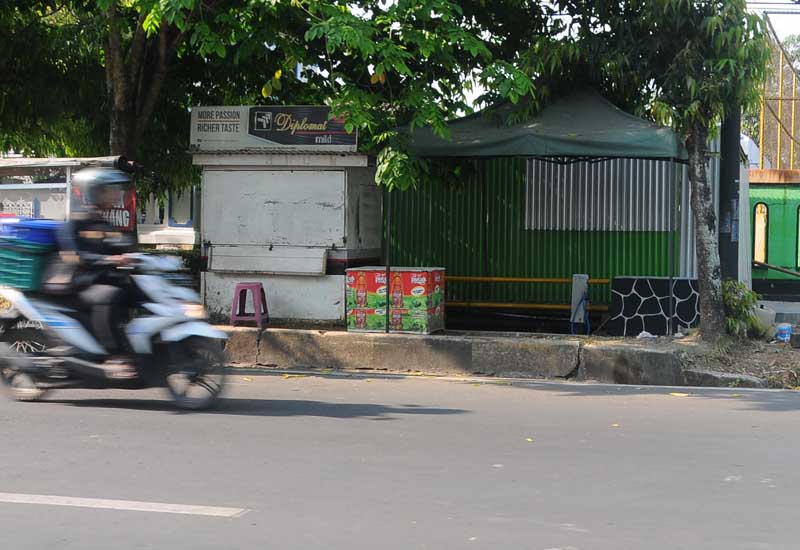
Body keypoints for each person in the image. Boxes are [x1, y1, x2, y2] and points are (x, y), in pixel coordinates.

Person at [43, 167, 137, 378]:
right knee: (108, 295)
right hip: (73, 283)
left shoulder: (102, 221)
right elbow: (74, 256)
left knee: (133, 291)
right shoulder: (75, 221)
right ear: (94, 191)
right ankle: (112, 355)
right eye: (108, 190)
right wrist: (108, 260)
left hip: (93, 280)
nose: (115, 194)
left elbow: (120, 247)